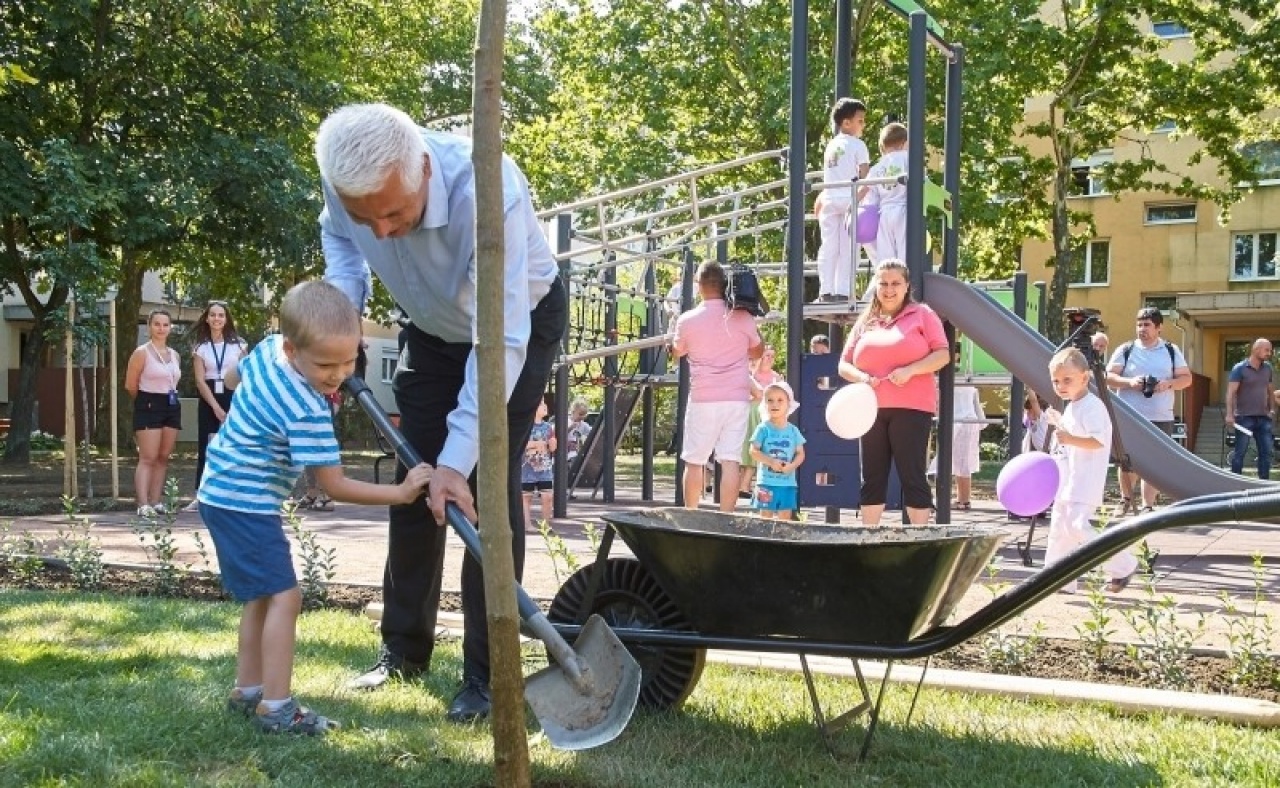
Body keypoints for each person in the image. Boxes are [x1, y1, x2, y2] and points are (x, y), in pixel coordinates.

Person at [315, 103, 567, 723]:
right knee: (415, 483)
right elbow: (342, 247)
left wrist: (458, 462)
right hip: (429, 329)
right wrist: (338, 332)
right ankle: (402, 650)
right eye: (363, 215)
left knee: (483, 487)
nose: (380, 231)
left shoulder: (490, 188)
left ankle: (485, 674)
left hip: (518, 328)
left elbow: (498, 344)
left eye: (395, 212)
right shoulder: (341, 174)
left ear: (424, 168)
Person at [198, 281, 433, 735]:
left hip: (220, 491)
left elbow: (233, 379)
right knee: (286, 597)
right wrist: (401, 494)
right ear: (292, 348)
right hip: (245, 502)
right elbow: (334, 485)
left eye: (348, 361)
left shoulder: (266, 352)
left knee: (262, 597)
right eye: (325, 364)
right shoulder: (306, 408)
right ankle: (278, 708)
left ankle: (248, 691)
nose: (338, 374)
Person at [837, 259, 950, 525]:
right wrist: (863, 378)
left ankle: (919, 538)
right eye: (883, 283)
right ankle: (868, 537)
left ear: (907, 286)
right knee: (872, 476)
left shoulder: (923, 314)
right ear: (875, 286)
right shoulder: (866, 321)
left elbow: (942, 354)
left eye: (895, 283)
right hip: (870, 410)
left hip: (912, 409)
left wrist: (910, 370)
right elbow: (843, 365)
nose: (889, 289)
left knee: (912, 475)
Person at [1043, 347, 1138, 594]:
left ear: (1085, 377)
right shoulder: (1073, 406)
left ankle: (1124, 565)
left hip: (1084, 481)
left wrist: (1068, 436)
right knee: (1059, 531)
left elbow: (1098, 441)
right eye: (1056, 381)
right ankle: (1058, 580)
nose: (1060, 386)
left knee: (1076, 527)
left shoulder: (1093, 406)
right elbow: (1070, 438)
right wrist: (1058, 423)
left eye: (1067, 380)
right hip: (1067, 481)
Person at [671, 260, 764, 511]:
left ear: (699, 286)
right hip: (736, 397)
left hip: (703, 397)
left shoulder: (687, 320)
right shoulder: (742, 316)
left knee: (694, 460)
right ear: (725, 285)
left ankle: (691, 516)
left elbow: (676, 352)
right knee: (730, 460)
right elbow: (757, 352)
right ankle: (726, 518)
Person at [1105, 307, 1191, 514]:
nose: (1142, 329)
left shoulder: (1171, 350)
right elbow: (1107, 378)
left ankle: (1147, 506)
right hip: (1129, 416)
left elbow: (1186, 379)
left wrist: (1167, 384)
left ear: (1159, 327)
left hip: (1160, 416)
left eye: (1147, 325)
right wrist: (1129, 382)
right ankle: (1125, 500)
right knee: (1126, 461)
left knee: (1153, 463)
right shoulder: (1126, 349)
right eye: (1139, 324)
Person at [184, 301, 248, 513]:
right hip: (209, 398)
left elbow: (245, 376)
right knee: (208, 446)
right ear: (206, 318)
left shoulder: (239, 345)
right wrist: (215, 407)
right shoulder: (200, 347)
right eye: (213, 315)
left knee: (235, 445)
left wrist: (236, 405)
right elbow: (200, 381)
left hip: (233, 397)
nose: (217, 319)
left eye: (221, 315)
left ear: (227, 319)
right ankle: (200, 495)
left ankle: (236, 494)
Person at [124, 309, 182, 517]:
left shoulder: (175, 354)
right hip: (148, 402)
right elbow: (131, 385)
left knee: (163, 457)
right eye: (157, 324)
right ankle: (143, 503)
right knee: (147, 456)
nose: (161, 328)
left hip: (171, 404)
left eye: (165, 325)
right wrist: (145, 402)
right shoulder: (141, 352)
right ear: (149, 327)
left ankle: (156, 501)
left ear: (170, 328)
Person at [814, 97, 870, 302]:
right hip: (849, 198)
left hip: (829, 198)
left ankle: (825, 290)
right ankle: (843, 291)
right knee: (849, 246)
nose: (863, 125)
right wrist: (861, 196)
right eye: (860, 120)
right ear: (846, 123)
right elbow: (865, 174)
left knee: (829, 245)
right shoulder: (858, 145)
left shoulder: (830, 146)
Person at [748, 380, 806, 520]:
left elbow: (800, 453)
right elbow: (753, 451)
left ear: (788, 404)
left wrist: (792, 466)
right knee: (765, 517)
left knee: (785, 517)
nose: (775, 404)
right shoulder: (763, 428)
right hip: (766, 482)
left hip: (787, 483)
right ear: (765, 404)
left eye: (780, 400)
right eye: (770, 400)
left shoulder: (793, 431)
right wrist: (771, 461)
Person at [1225, 338, 1275, 480]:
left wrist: (1272, 409)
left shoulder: (1268, 368)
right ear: (1256, 349)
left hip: (1263, 418)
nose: (1269, 353)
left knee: (1266, 453)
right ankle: (1235, 483)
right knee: (1240, 453)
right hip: (1244, 418)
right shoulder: (1239, 368)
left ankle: (1263, 485)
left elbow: (1270, 390)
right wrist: (1229, 414)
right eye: (1267, 350)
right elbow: (1230, 393)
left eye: (1270, 350)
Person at [859, 122, 908, 262]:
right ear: (904, 143)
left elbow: (864, 188)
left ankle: (885, 280)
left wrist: (852, 203)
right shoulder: (907, 158)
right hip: (904, 209)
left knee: (886, 255)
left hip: (885, 212)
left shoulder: (878, 166)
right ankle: (906, 280)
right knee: (904, 251)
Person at [740, 344, 781, 496]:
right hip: (752, 412)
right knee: (751, 447)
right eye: (766, 355)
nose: (769, 359)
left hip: (767, 413)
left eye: (772, 356)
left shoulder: (776, 377)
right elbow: (754, 394)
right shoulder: (752, 374)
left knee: (765, 448)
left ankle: (750, 485)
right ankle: (744, 485)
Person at [948, 345, 984, 510]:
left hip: (961, 422)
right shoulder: (968, 379)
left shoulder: (954, 377)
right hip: (967, 421)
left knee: (961, 462)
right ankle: (961, 498)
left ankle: (964, 500)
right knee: (961, 462)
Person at [521, 395, 556, 532]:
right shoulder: (525, 426)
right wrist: (536, 444)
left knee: (547, 496)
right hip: (527, 468)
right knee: (526, 497)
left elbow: (552, 447)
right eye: (541, 403)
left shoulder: (548, 427)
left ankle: (546, 525)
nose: (544, 405)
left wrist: (552, 444)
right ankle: (527, 524)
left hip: (544, 468)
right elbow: (522, 444)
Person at [565, 396, 593, 466]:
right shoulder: (566, 421)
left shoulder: (583, 425)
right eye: (580, 414)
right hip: (565, 454)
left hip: (574, 454)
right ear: (573, 412)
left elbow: (591, 432)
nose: (582, 417)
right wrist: (570, 428)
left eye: (584, 415)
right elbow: (560, 434)